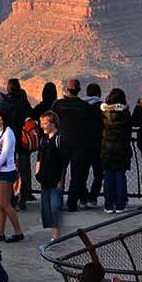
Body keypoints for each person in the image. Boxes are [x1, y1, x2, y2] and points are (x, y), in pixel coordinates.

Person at [50, 79, 98, 212]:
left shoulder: (58, 105)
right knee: (76, 175)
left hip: (61, 143)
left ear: (67, 89)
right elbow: (91, 126)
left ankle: (56, 201)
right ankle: (72, 203)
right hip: (80, 145)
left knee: (59, 173)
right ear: (79, 90)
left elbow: (51, 120)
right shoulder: (85, 106)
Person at [0, 108, 24, 241]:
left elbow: (4, 154)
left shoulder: (9, 133)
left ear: (3, 118)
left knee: (6, 203)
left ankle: (18, 232)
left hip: (6, 171)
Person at [34, 112, 67, 243]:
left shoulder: (59, 139)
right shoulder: (43, 139)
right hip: (44, 178)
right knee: (46, 208)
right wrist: (37, 172)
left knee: (54, 208)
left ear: (52, 123)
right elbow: (39, 157)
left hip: (55, 179)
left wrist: (61, 179)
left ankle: (56, 236)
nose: (42, 126)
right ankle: (54, 235)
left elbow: (64, 161)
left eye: (44, 123)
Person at [98, 88, 131, 213]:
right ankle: (120, 205)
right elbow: (128, 129)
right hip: (122, 148)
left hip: (107, 147)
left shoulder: (104, 114)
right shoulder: (125, 114)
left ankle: (108, 205)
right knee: (120, 176)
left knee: (108, 176)